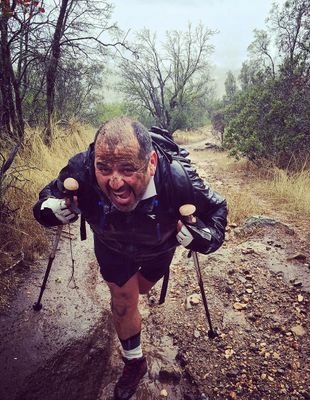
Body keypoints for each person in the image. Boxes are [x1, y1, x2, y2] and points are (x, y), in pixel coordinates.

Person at [33, 116, 228, 400]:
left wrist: (206, 238)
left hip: (159, 249)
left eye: (127, 169)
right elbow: (46, 197)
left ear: (150, 162)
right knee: (124, 301)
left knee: (139, 290)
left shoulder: (178, 181)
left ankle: (129, 309)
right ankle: (134, 362)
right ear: (95, 162)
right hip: (111, 244)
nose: (115, 182)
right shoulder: (82, 170)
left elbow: (218, 208)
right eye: (105, 168)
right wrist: (49, 210)